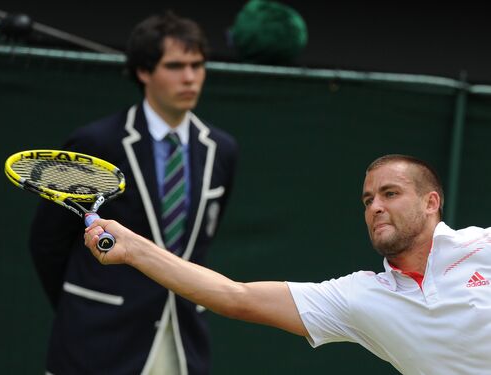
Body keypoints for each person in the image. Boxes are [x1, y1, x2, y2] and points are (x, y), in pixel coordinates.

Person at [83, 154, 491, 375]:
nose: (376, 207)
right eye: (368, 200)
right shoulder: (360, 297)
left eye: (390, 193)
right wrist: (133, 247)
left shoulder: (483, 244)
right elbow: (235, 297)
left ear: (431, 202)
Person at [29, 11, 238, 375]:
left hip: (182, 339)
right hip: (96, 341)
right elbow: (48, 241)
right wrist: (84, 308)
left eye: (197, 65)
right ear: (143, 72)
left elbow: (200, 242)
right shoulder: (96, 142)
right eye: (175, 66)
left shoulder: (222, 148)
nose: (190, 77)